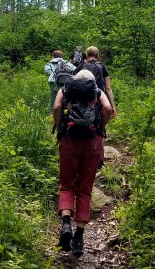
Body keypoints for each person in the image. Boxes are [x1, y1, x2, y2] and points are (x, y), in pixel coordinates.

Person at [53, 70, 113, 257]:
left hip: (69, 140)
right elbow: (108, 109)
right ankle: (78, 238)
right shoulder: (97, 91)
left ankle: (65, 225)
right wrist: (100, 127)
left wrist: (60, 126)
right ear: (92, 81)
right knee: (85, 189)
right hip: (92, 142)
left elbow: (56, 107)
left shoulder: (66, 89)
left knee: (67, 185)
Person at [76, 46, 116, 117]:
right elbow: (108, 88)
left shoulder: (80, 66)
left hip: (79, 96)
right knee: (105, 111)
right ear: (98, 56)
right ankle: (101, 127)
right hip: (97, 97)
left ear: (87, 56)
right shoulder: (102, 67)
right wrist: (113, 107)